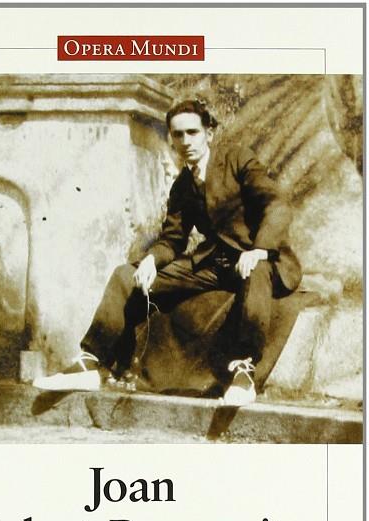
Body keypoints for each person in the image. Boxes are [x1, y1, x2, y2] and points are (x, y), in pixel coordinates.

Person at [34, 99, 301, 406]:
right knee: (125, 276)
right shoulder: (183, 186)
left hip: (264, 260)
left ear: (209, 133)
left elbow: (277, 204)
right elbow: (172, 239)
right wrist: (151, 259)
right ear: (171, 139)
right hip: (214, 265)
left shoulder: (237, 160)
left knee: (254, 271)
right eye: (178, 134)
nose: (186, 141)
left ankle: (243, 374)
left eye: (193, 132)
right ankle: (91, 364)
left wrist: (259, 249)